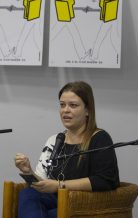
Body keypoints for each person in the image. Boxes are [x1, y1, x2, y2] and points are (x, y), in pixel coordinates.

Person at [14, 81, 120, 218]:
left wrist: (59, 185)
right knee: (28, 193)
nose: (66, 110)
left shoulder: (99, 138)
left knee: (53, 214)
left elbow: (105, 180)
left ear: (87, 110)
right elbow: (45, 183)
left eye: (73, 105)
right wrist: (28, 171)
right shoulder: (55, 140)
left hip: (84, 203)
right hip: (56, 200)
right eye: (62, 105)